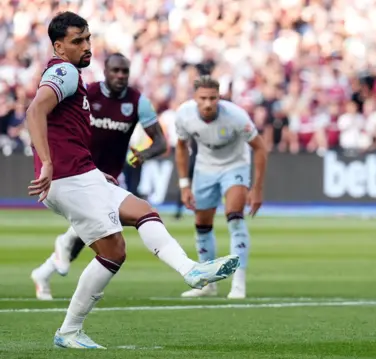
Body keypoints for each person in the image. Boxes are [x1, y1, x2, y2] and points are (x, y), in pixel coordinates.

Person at [26, 13, 239, 349]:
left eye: (88, 38)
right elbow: (34, 111)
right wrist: (48, 163)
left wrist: (94, 171)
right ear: (59, 47)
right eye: (77, 41)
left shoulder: (77, 76)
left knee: (142, 210)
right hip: (68, 177)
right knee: (113, 251)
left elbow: (61, 128)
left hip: (83, 173)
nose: (86, 46)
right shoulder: (64, 71)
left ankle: (191, 271)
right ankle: (69, 331)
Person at [30, 52, 175, 300]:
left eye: (124, 71)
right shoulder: (88, 93)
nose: (120, 76)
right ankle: (59, 253)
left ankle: (48, 266)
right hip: (80, 171)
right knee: (102, 232)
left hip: (110, 176)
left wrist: (143, 153)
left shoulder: (138, 101)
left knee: (97, 232)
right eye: (115, 70)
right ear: (105, 72)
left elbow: (161, 142)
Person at [175, 75, 268, 299]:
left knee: (234, 217)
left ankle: (238, 282)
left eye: (213, 98)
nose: (208, 103)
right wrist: (184, 185)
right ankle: (208, 283)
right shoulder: (184, 115)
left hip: (235, 165)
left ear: (220, 97)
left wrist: (257, 188)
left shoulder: (236, 116)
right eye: (203, 98)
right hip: (205, 169)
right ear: (195, 98)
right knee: (202, 224)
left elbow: (260, 148)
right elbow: (180, 147)